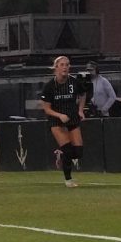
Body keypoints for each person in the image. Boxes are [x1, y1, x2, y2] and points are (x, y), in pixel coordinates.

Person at [39, 56, 86, 188]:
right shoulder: (49, 86)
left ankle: (61, 154)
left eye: (67, 64)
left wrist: (81, 110)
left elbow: (83, 95)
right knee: (68, 151)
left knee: (78, 153)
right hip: (56, 121)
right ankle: (68, 180)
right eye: (62, 65)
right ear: (56, 67)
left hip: (72, 118)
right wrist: (59, 115)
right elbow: (46, 109)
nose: (65, 67)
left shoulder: (74, 82)